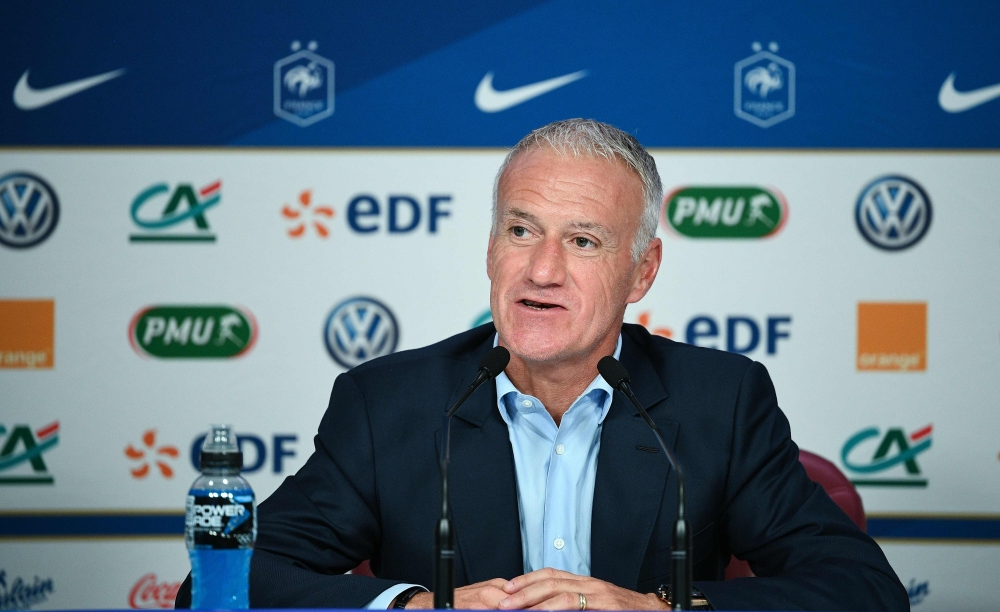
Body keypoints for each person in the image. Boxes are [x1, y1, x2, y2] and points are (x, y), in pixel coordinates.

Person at [177, 119, 908, 610]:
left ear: (641, 271)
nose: (542, 269)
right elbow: (218, 582)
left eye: (584, 241)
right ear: (491, 247)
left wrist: (657, 607)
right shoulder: (387, 403)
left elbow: (863, 587)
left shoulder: (721, 399)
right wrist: (416, 603)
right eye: (521, 230)